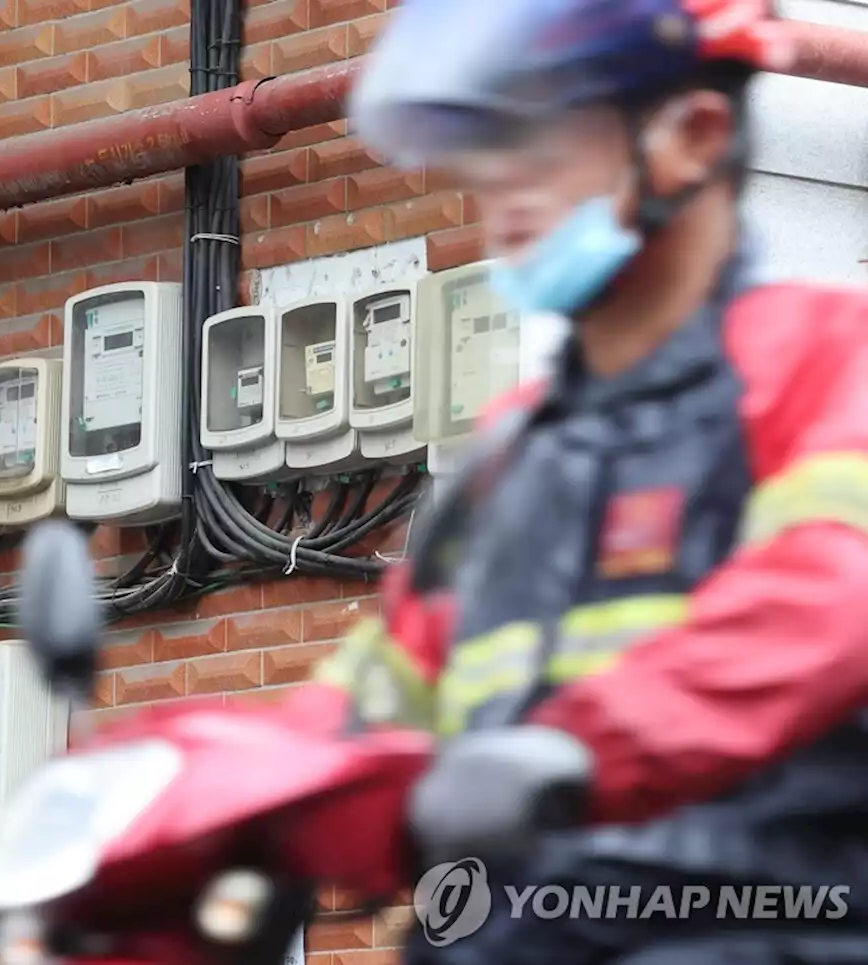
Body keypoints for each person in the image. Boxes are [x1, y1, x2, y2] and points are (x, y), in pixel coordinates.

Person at [304, 0, 868, 962]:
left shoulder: (829, 359)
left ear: (693, 137)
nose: (499, 182)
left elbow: (829, 595)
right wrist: (195, 795)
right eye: (486, 144)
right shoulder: (515, 448)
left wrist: (570, 751)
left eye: (544, 134)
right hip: (520, 927)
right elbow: (378, 693)